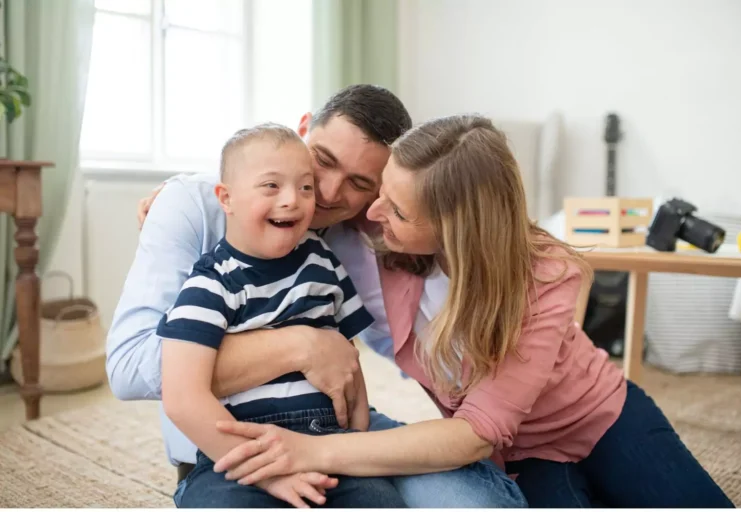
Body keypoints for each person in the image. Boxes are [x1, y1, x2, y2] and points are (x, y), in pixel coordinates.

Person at [208, 114, 735, 508]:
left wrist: (312, 451)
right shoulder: (378, 233)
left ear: (454, 229)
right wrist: (184, 198)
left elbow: (474, 431)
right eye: (383, 191)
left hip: (601, 416)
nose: (371, 212)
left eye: (397, 209)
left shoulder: (547, 274)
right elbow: (278, 163)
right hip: (522, 455)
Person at [109, 85, 526, 508]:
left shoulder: (359, 237)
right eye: (322, 160)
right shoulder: (196, 214)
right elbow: (128, 369)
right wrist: (302, 346)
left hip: (331, 433)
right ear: (304, 128)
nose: (325, 192)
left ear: (377, 194)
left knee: (476, 502)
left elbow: (410, 348)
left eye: (358, 183)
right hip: (229, 441)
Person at [158, 123, 406, 508]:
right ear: (227, 198)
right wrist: (269, 472)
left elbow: (348, 363)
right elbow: (181, 398)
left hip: (327, 446)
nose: (292, 199)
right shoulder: (209, 284)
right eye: (271, 186)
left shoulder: (324, 264)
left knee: (383, 502)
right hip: (242, 455)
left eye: (305, 187)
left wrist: (358, 440)